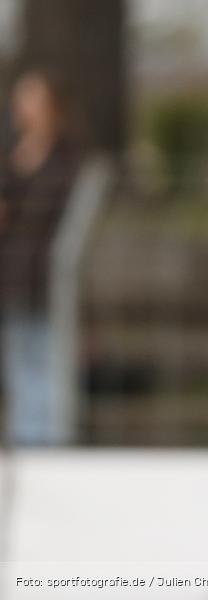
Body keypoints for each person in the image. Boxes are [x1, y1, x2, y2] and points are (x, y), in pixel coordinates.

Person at [0, 69, 80, 445]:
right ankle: (26, 441)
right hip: (13, 277)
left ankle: (49, 444)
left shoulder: (66, 161)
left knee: (48, 363)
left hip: (49, 279)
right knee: (19, 366)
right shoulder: (11, 161)